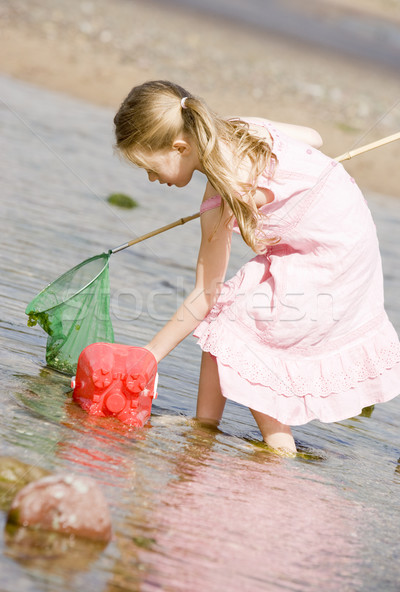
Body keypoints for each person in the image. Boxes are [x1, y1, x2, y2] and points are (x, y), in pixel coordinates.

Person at [113, 80, 400, 455]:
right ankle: (204, 426)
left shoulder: (224, 194)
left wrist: (149, 354)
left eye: (150, 168)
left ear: (180, 147)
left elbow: (205, 290)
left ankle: (280, 449)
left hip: (331, 258)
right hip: (348, 232)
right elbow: (313, 137)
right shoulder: (241, 129)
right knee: (227, 313)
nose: (152, 179)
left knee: (243, 327)